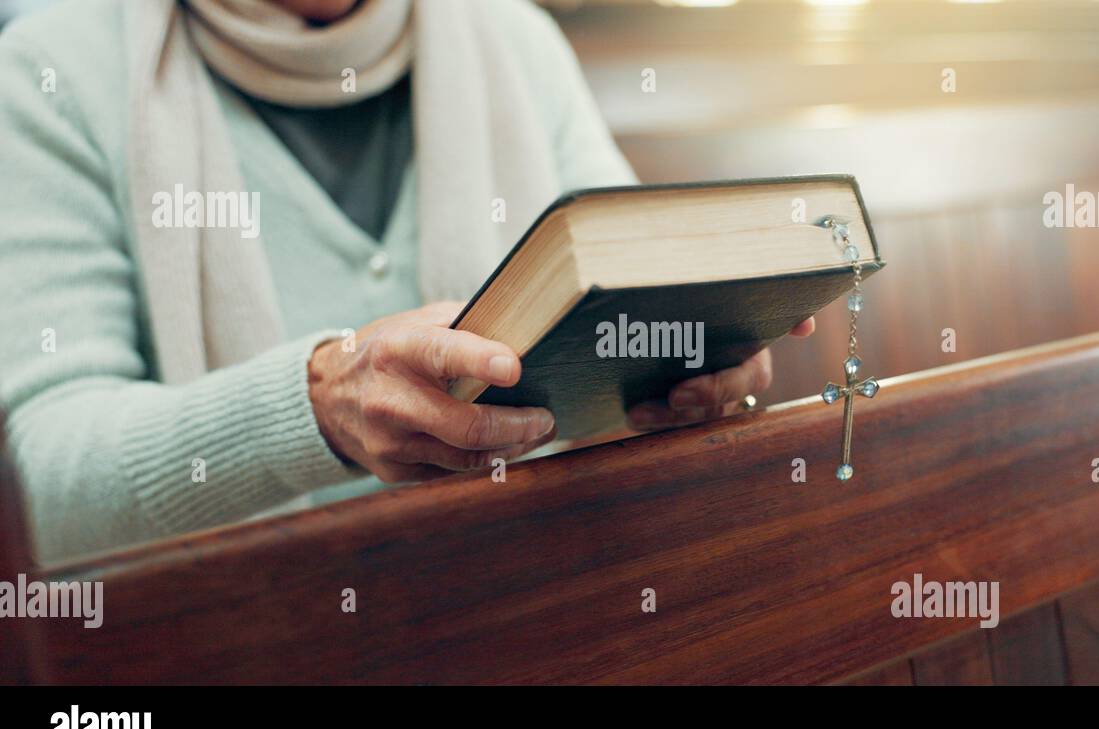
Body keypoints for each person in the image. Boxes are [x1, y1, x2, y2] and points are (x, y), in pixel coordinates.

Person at [0, 0, 813, 563]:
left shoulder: (515, 42)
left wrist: (691, 356)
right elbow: (43, 483)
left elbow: (640, 273)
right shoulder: (51, 79)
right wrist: (315, 406)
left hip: (544, 615)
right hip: (238, 643)